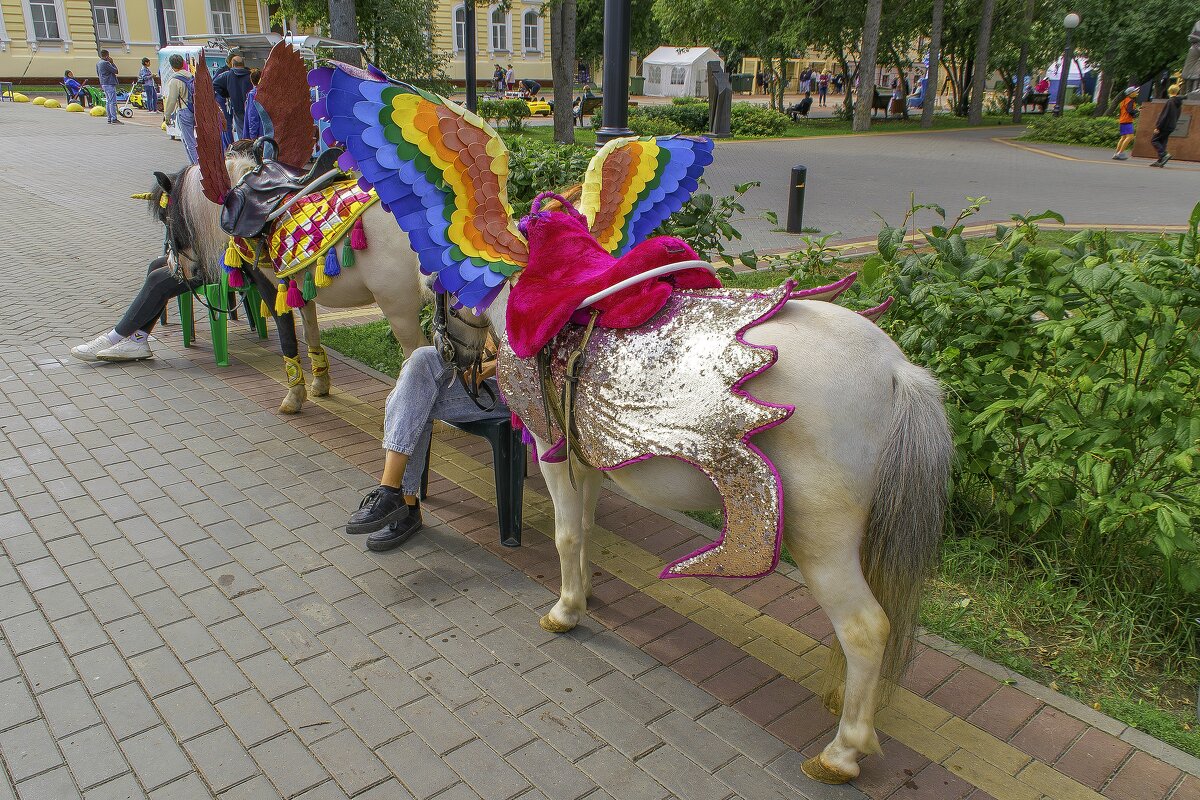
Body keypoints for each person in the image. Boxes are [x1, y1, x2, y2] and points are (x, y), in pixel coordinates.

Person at [346, 345, 509, 550]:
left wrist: (495, 364)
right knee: (422, 359)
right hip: (476, 373)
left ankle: (401, 501)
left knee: (416, 397)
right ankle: (396, 495)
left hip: (516, 387)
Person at [72, 257, 204, 362]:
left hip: (213, 265)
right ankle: (138, 339)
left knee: (157, 279)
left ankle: (114, 338)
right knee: (157, 265)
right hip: (205, 257)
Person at [163, 54, 197, 164]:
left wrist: (167, 116)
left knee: (189, 142)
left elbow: (172, 100)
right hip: (194, 110)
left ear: (172, 66)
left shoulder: (175, 80)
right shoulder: (191, 76)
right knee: (191, 140)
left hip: (184, 110)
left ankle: (196, 166)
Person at [213, 55, 253, 139]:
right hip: (251, 107)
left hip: (237, 107)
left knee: (241, 131)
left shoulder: (227, 75)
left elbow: (214, 84)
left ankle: (244, 148)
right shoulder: (251, 75)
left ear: (232, 64)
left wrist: (226, 94)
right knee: (252, 129)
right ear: (243, 64)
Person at [1150, 84, 1183, 167]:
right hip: (1172, 125)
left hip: (1164, 125)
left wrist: (1158, 127)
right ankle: (1160, 160)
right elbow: (1178, 115)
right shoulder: (1178, 103)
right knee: (1163, 142)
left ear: (1170, 91)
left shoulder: (1170, 101)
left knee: (1154, 140)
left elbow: (1164, 115)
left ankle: (1164, 154)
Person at [1113, 87, 1138, 160]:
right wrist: (1136, 112)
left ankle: (1116, 153)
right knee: (1130, 137)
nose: (1136, 93)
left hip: (1122, 120)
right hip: (1127, 121)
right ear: (1130, 93)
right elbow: (1130, 111)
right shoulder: (1130, 101)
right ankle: (1120, 153)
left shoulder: (1123, 101)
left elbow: (1121, 111)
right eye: (1134, 91)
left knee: (1123, 137)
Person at [97, 49, 121, 124]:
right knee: (112, 102)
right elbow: (116, 71)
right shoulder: (106, 63)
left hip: (103, 83)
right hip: (109, 83)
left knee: (108, 101)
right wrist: (112, 63)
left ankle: (109, 118)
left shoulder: (98, 63)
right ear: (107, 55)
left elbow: (98, 73)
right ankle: (114, 118)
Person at [244, 68, 264, 140]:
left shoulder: (252, 94)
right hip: (264, 132)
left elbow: (252, 116)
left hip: (256, 135)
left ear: (251, 80)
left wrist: (253, 136)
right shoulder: (265, 93)